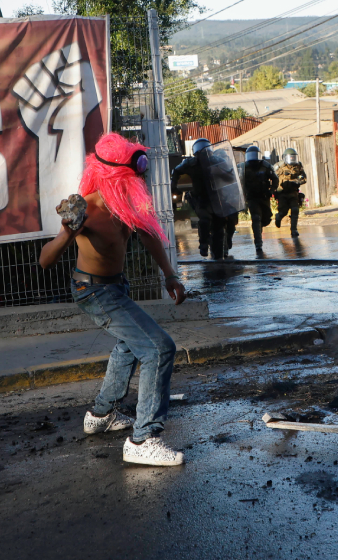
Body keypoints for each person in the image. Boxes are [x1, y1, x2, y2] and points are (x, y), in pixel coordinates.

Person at [39, 133, 187, 467]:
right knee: (158, 348)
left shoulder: (124, 203)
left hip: (117, 286)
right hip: (93, 291)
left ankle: (101, 414)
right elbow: (45, 261)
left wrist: (169, 274)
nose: (136, 184)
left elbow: (147, 233)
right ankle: (143, 440)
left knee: (130, 345)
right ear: (113, 174)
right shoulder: (87, 209)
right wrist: (67, 232)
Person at [171, 139, 224, 259]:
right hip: (200, 199)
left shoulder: (216, 161)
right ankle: (203, 245)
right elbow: (176, 170)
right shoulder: (191, 164)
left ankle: (218, 253)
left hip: (216, 198)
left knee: (219, 225)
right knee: (204, 220)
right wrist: (174, 187)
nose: (204, 153)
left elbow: (228, 170)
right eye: (201, 150)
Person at [242, 146, 278, 253]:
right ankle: (258, 243)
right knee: (256, 218)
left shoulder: (265, 166)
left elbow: (275, 179)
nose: (253, 158)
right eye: (251, 155)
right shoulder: (243, 167)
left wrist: (272, 190)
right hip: (252, 197)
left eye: (255, 155)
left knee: (266, 219)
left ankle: (258, 228)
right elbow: (238, 180)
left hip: (264, 196)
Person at [274, 148, 307, 237]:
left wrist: (297, 181)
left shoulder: (298, 166)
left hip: (293, 192)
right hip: (282, 193)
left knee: (295, 210)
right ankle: (278, 217)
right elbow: (272, 177)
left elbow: (303, 178)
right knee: (283, 211)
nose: (292, 159)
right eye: (290, 157)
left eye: (293, 157)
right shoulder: (279, 166)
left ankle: (294, 230)